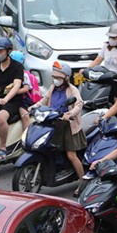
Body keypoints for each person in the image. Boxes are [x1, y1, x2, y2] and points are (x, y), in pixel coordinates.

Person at [29, 62, 86, 193]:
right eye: (54, 76)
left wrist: (70, 114)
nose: (56, 79)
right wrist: (34, 106)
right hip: (53, 123)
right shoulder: (53, 88)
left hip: (68, 126)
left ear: (66, 78)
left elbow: (79, 104)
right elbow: (45, 99)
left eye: (59, 77)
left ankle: (83, 182)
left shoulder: (72, 90)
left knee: (71, 155)